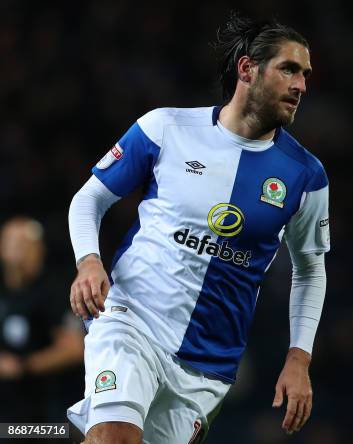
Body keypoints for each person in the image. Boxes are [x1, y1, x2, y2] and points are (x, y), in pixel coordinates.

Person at [66, 12, 330, 444]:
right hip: (133, 320)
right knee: (114, 437)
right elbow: (88, 199)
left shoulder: (306, 175)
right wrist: (89, 260)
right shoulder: (165, 127)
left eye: (305, 74)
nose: (300, 85)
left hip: (208, 362)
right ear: (248, 69)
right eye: (288, 69)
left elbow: (310, 270)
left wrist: (299, 358)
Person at [0, 217, 84, 427]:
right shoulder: (4, 291)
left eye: (28, 244)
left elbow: (74, 348)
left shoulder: (53, 292)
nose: (21, 251)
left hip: (46, 413)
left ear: (40, 250)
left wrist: (24, 366)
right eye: (15, 243)